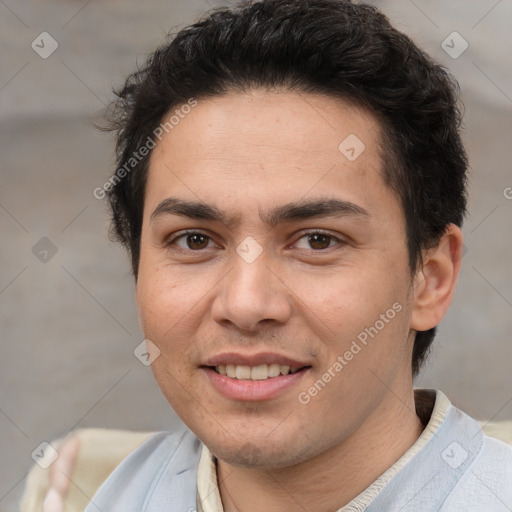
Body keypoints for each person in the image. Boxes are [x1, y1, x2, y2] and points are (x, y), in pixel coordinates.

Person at [50, 0, 512, 510]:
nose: (246, 305)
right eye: (195, 240)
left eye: (317, 240)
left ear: (431, 278)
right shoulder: (89, 493)